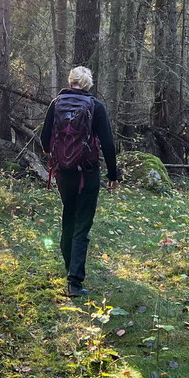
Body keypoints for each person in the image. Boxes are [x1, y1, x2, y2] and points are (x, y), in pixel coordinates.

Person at [41, 66, 119, 297]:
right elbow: (107, 143)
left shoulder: (56, 103)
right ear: (87, 84)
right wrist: (113, 175)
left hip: (63, 172)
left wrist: (56, 156)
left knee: (68, 217)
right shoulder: (96, 106)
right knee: (82, 225)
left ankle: (69, 269)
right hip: (87, 172)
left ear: (71, 81)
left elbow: (45, 139)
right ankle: (74, 282)